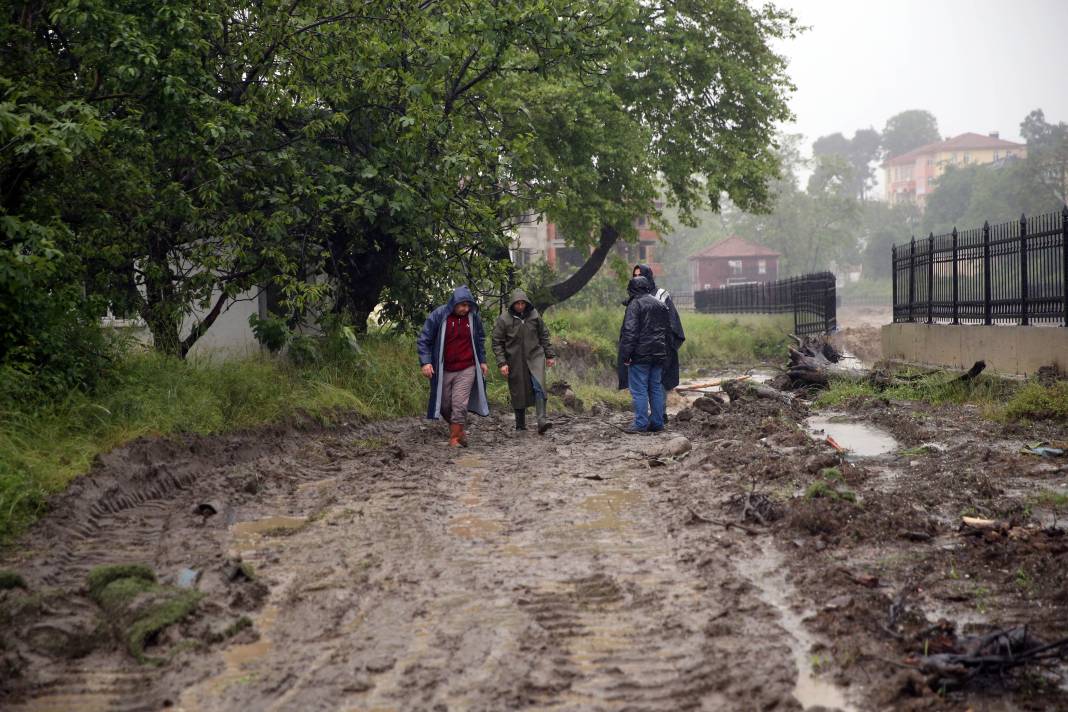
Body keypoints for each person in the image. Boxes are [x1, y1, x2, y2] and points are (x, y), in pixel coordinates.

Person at [416, 285, 490, 447]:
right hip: (444, 368)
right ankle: (459, 430)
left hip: (467, 367)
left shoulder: (473, 318)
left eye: (468, 305)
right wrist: (426, 362)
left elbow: (479, 340)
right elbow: (424, 340)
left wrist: (482, 360)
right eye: (463, 305)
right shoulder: (439, 316)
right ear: (454, 303)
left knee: (459, 404)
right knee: (443, 404)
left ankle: (455, 438)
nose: (466, 309)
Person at [492, 289, 557, 434]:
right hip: (514, 359)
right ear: (512, 304)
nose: (520, 306)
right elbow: (497, 342)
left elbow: (544, 335)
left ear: (526, 303)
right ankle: (520, 425)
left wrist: (550, 355)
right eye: (517, 304)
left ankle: (541, 421)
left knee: (539, 385)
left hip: (535, 356)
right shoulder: (504, 320)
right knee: (518, 391)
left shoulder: (534, 316)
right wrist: (502, 363)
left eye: (522, 303)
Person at [630, 263, 685, 422]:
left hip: (661, 347)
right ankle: (650, 417)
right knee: (642, 383)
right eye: (635, 276)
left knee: (658, 381)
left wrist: (668, 347)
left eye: (641, 275)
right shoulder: (634, 297)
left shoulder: (661, 295)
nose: (638, 279)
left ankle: (660, 415)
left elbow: (673, 323)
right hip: (640, 349)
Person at [617, 276, 670, 433]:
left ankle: (640, 424)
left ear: (632, 289)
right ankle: (657, 423)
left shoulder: (635, 304)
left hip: (640, 356)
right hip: (659, 354)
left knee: (639, 390)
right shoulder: (660, 305)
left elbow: (630, 332)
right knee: (655, 388)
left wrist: (626, 356)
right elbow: (667, 331)